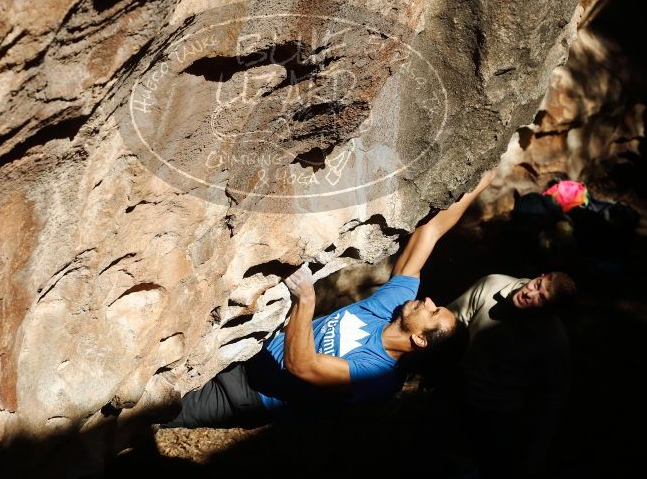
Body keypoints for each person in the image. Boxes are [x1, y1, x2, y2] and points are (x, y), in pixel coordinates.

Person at [163, 170, 497, 428]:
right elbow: (431, 232)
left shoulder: (377, 377)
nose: (427, 301)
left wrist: (304, 301)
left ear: (421, 339)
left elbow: (301, 364)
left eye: (433, 311)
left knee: (146, 418)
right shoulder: (394, 305)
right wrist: (482, 180)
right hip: (249, 348)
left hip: (247, 394)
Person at [446, 271, 577, 478]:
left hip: (500, 415)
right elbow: (452, 319)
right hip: (457, 390)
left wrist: (536, 452)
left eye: (541, 298)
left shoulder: (554, 341)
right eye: (537, 285)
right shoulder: (492, 284)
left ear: (550, 311)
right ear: (539, 275)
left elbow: (552, 399)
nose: (530, 294)